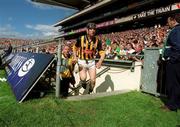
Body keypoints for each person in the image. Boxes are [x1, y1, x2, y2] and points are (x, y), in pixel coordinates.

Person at [73, 22, 105, 93]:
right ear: (87, 30)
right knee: (83, 78)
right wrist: (75, 57)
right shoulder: (80, 39)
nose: (92, 30)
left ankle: (90, 90)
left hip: (91, 62)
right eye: (90, 29)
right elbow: (74, 48)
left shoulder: (97, 40)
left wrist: (100, 61)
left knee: (93, 81)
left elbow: (102, 52)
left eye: (94, 29)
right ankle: (83, 82)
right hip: (82, 61)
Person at [161, 13, 180, 111]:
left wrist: (171, 60)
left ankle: (171, 105)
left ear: (173, 20)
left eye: (168, 21)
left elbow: (178, 47)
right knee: (176, 84)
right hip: (176, 62)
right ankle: (176, 104)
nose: (167, 23)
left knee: (172, 84)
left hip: (174, 63)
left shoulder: (176, 30)